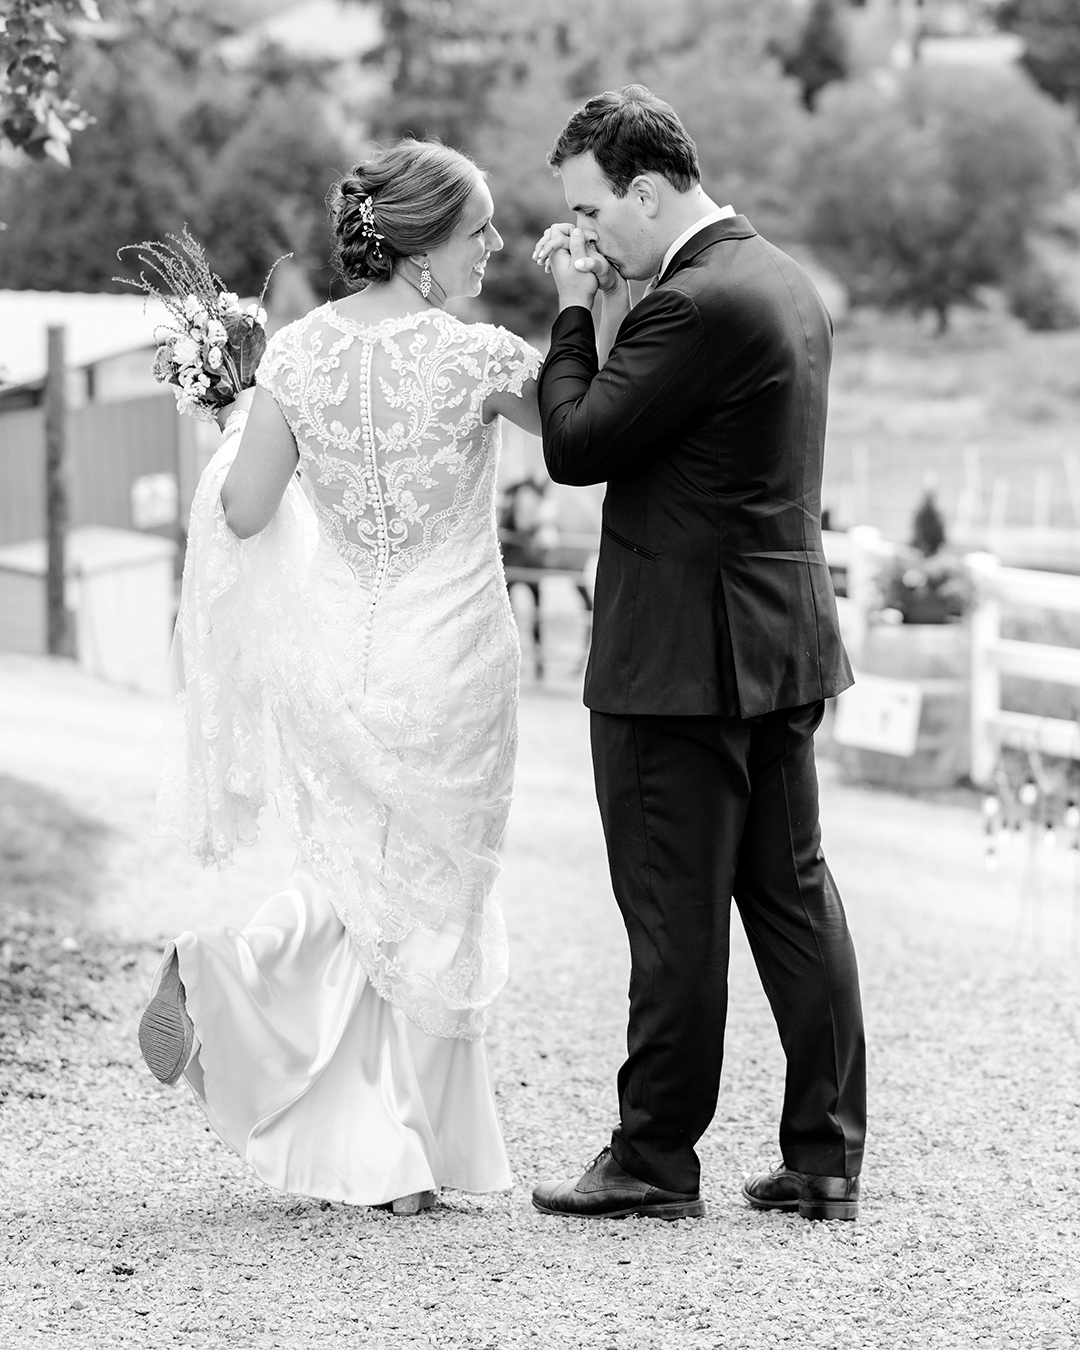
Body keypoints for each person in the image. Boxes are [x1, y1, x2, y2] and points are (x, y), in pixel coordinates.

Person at [139, 140, 542, 1214]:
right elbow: (599, 432)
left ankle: (227, 969)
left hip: (336, 649)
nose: (495, 248)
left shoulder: (300, 356)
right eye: (479, 232)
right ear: (419, 252)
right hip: (452, 652)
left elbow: (245, 511)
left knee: (362, 887)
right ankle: (411, 1149)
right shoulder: (482, 358)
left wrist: (236, 428)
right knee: (436, 895)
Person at [529, 87, 866, 1222]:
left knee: (674, 912)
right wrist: (615, 294)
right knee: (791, 896)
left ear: (647, 190)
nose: (583, 237)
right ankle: (823, 1156)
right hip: (778, 644)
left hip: (679, 660)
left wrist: (574, 309)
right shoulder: (777, 280)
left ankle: (653, 1160)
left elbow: (576, 443)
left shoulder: (691, 304)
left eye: (590, 213)